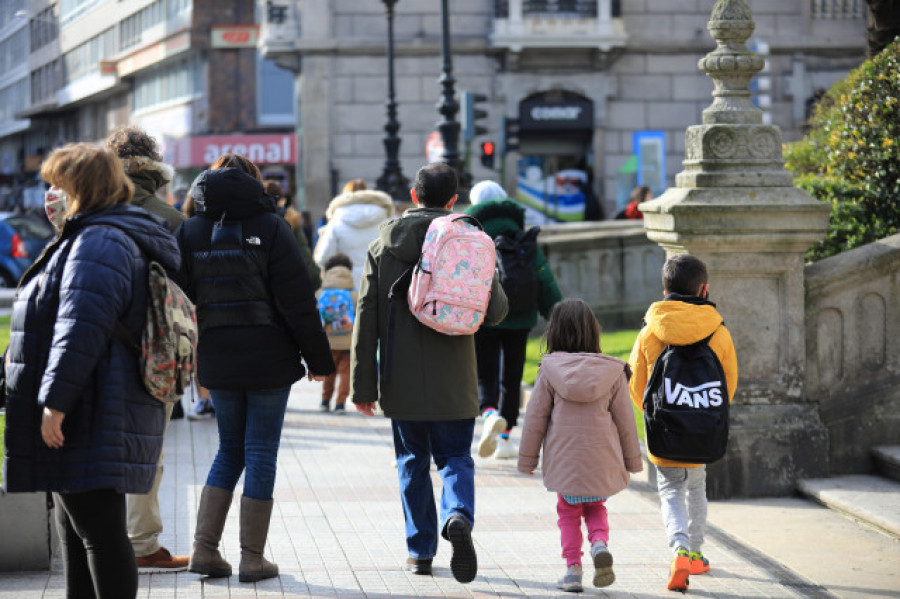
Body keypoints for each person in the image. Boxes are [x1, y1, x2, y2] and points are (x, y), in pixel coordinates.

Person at [3, 144, 178, 598]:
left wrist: (55, 403)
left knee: (99, 533)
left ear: (82, 187)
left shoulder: (99, 240)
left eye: (56, 184)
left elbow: (81, 329)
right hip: (92, 401)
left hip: (91, 406)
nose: (49, 194)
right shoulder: (88, 236)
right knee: (78, 533)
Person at [176, 153, 335, 582]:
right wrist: (320, 361)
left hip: (217, 356)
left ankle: (203, 550)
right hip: (269, 356)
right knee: (260, 449)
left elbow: (182, 298)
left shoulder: (189, 230)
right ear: (254, 184)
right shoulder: (272, 228)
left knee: (229, 449)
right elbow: (298, 302)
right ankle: (251, 557)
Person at [351, 162, 508, 583]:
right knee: (456, 457)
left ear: (413, 195)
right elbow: (496, 311)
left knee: (411, 462)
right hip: (456, 379)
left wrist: (362, 385)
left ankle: (420, 552)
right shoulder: (471, 241)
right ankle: (457, 513)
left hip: (401, 380)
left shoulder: (383, 247)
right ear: (454, 200)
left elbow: (366, 318)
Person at [627, 254, 738, 592]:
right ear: (704, 289)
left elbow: (636, 383)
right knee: (696, 487)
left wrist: (658, 414)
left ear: (665, 292)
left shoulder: (650, 332)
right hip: (701, 429)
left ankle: (678, 549)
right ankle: (696, 554)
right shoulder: (718, 334)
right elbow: (727, 385)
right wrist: (701, 413)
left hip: (665, 431)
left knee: (671, 490)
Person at [106, 125, 190, 571]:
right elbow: (187, 296)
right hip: (153, 350)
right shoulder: (172, 220)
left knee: (94, 446)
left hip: (92, 346)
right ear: (155, 168)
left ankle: (97, 541)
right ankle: (140, 546)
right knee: (147, 452)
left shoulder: (84, 211)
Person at [518, 298, 642, 592]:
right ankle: (599, 544)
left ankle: (573, 570)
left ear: (554, 333)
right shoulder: (611, 373)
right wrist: (634, 462)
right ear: (593, 332)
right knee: (596, 507)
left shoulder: (549, 371)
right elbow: (626, 421)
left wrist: (527, 461)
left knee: (568, 513)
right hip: (601, 460)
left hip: (565, 463)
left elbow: (535, 418)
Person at [464, 180, 562, 459]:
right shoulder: (522, 236)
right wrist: (557, 314)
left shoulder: (473, 236)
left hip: (485, 317)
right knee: (512, 375)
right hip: (521, 317)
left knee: (485, 372)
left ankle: (489, 414)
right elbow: (544, 277)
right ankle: (505, 440)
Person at [314, 178, 393, 289]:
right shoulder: (388, 221)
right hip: (379, 286)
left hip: (346, 287)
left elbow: (322, 258)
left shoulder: (335, 223)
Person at [316, 252, 357, 414]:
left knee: (329, 371)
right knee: (346, 372)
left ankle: (325, 400)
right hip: (348, 341)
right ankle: (340, 403)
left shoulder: (320, 293)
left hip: (327, 341)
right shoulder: (353, 294)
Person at [265, 179, 321, 289]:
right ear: (281, 199)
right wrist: (315, 279)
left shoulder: (255, 221)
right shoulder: (291, 220)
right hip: (289, 283)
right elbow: (303, 252)